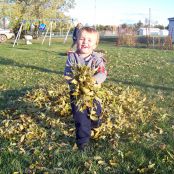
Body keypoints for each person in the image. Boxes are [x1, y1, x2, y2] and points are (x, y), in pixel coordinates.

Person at [64, 27, 107, 151]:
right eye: (82, 38)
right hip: (77, 94)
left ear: (94, 45)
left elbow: (102, 73)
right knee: (80, 117)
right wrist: (74, 82)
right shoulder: (72, 57)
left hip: (94, 93)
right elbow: (67, 73)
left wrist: (93, 81)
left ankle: (94, 124)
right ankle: (83, 141)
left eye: (89, 40)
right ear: (76, 40)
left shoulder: (97, 59)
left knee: (96, 112)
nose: (85, 42)